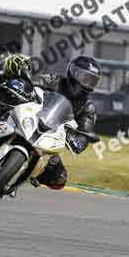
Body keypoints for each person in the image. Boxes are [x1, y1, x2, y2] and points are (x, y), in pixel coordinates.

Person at [32, 55, 101, 190]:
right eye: (84, 77)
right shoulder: (53, 80)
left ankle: (26, 176)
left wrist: (79, 142)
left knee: (59, 179)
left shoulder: (87, 106)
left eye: (92, 80)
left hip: (50, 139)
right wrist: (28, 89)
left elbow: (85, 130)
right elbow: (32, 85)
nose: (87, 82)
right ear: (73, 72)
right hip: (31, 119)